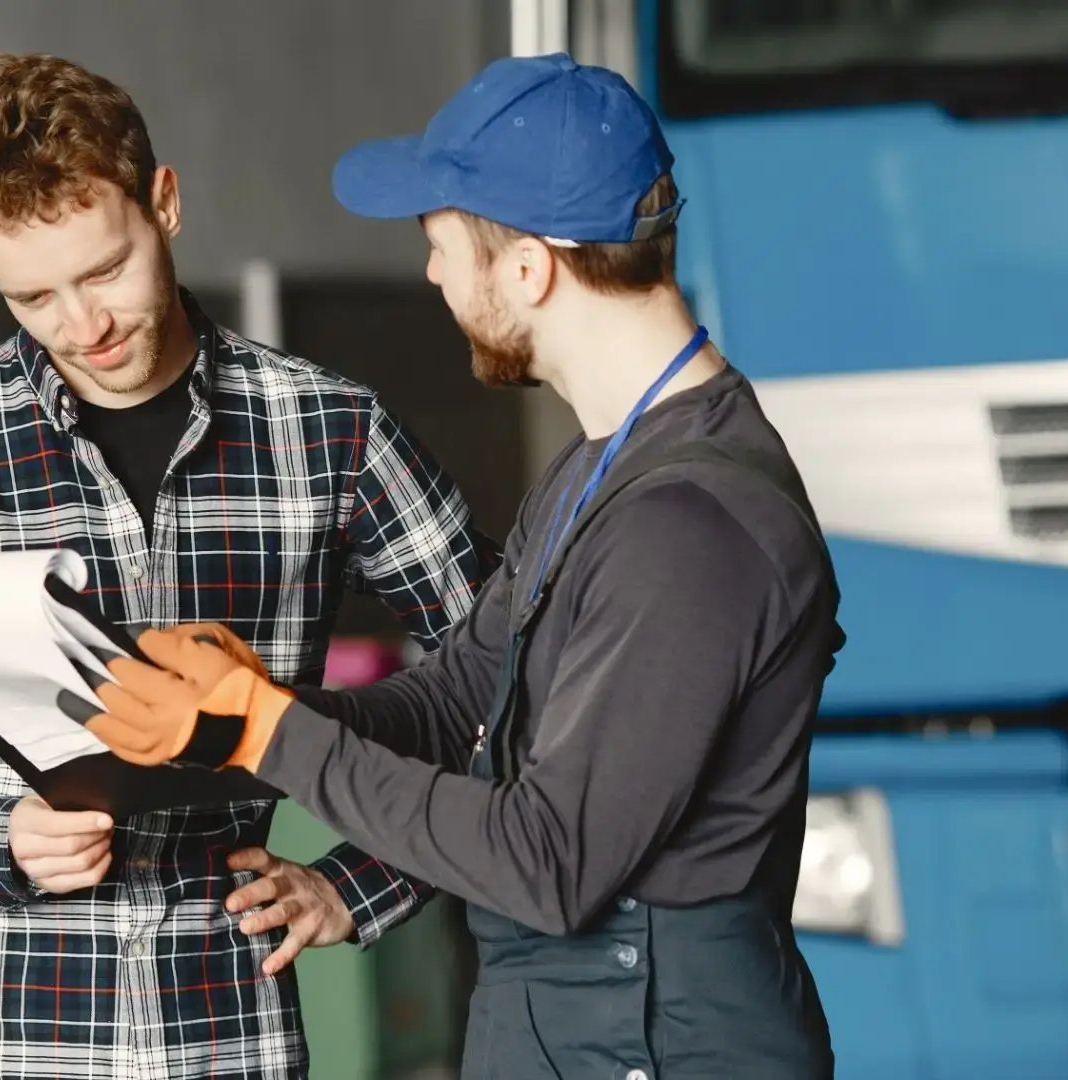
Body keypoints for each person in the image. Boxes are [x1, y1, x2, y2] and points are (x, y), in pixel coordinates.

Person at [79, 53, 844, 1079]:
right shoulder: (598, 470)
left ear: (528, 269)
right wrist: (256, 699)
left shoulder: (688, 531)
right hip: (580, 1033)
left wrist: (261, 733)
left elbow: (551, 859)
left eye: (441, 244)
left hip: (658, 1044)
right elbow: (455, 706)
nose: (433, 274)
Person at [0, 52, 496, 1080]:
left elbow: (503, 677)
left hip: (224, 1033)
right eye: (32, 297)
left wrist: (362, 885)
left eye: (105, 270)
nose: (85, 326)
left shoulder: (328, 429)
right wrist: (2, 842)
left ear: (163, 203)